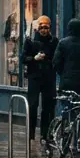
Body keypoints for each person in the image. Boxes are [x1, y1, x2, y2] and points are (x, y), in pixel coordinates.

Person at [22, 15, 58, 144]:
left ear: (50, 27)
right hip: (34, 77)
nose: (44, 29)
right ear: (38, 27)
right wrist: (34, 58)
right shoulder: (30, 41)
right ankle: (31, 134)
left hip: (49, 78)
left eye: (46, 27)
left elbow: (57, 59)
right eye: (41, 26)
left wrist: (49, 61)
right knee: (33, 105)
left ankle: (46, 134)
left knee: (48, 107)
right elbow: (23, 58)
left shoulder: (54, 42)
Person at [52, 18, 80, 95]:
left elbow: (56, 62)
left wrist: (63, 73)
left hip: (66, 81)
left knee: (66, 103)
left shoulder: (62, 43)